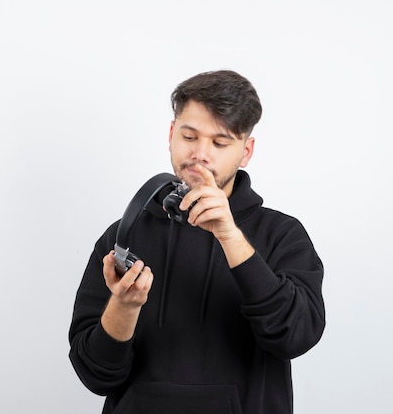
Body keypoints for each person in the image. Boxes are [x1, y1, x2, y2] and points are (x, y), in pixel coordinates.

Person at [68, 70, 325, 414]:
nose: (200, 154)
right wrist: (125, 307)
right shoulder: (123, 237)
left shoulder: (282, 235)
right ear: (172, 134)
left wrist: (229, 235)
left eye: (220, 143)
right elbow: (94, 375)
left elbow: (295, 336)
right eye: (190, 136)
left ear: (245, 151)